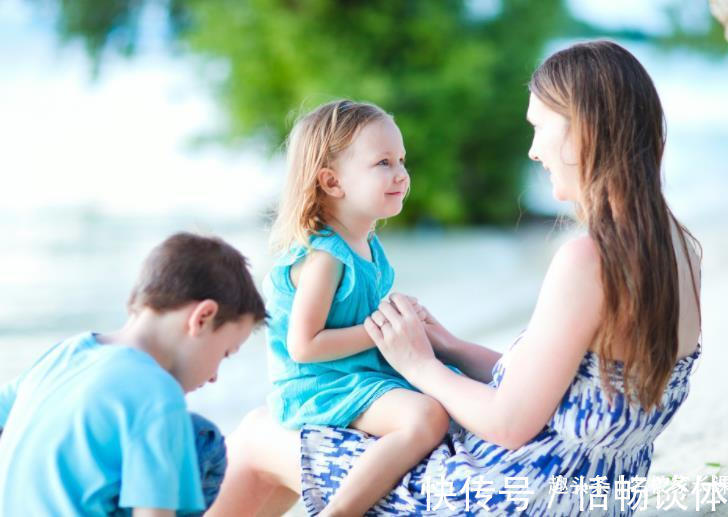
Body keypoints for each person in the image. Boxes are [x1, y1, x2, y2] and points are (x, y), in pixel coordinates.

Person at [208, 40, 703, 516]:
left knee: (256, 434)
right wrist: (446, 346)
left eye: (540, 128)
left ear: (584, 130)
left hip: (513, 497)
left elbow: (509, 424)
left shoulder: (588, 260)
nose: (533, 151)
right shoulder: (679, 251)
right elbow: (567, 389)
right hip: (593, 496)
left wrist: (420, 365)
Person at [230, 99, 448, 516]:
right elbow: (304, 346)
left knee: (446, 388)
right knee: (425, 418)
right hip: (316, 385)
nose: (401, 174)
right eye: (383, 162)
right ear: (332, 182)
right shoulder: (325, 256)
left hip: (353, 373)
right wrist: (383, 329)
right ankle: (342, 510)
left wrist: (404, 319)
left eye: (402, 160)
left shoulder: (368, 245)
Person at [0, 232, 267, 516]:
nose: (214, 376)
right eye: (224, 353)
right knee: (203, 441)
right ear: (202, 318)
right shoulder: (156, 393)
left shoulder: (66, 353)